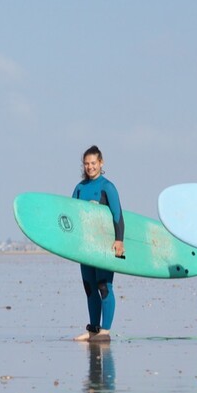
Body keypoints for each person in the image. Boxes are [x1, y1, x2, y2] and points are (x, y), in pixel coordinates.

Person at [72, 146, 124, 342]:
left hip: (104, 245)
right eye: (86, 164)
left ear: (101, 163)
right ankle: (93, 329)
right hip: (85, 247)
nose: (90, 167)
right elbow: (72, 216)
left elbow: (118, 216)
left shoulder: (107, 187)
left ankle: (105, 331)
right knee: (89, 287)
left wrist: (119, 240)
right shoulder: (79, 188)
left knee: (104, 285)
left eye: (93, 163)